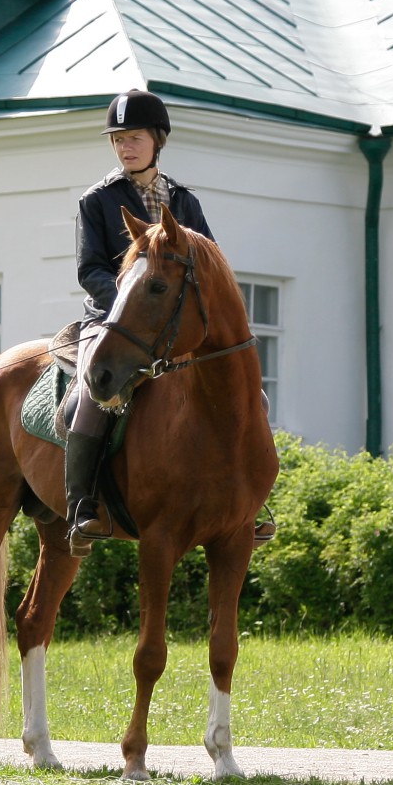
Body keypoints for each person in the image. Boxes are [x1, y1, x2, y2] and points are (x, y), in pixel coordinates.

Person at [69, 89, 282, 546]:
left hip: (170, 328)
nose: (125, 147)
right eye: (118, 140)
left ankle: (249, 501)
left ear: (157, 141)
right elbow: (90, 269)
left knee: (252, 400)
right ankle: (82, 506)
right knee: (88, 399)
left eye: (135, 138)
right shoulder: (97, 200)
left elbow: (211, 268)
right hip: (113, 322)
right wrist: (127, 308)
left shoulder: (184, 201)